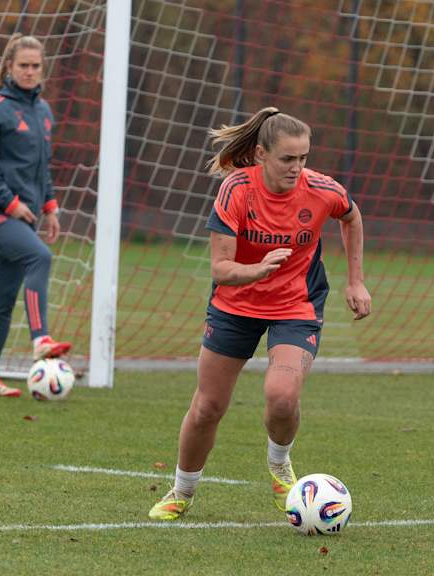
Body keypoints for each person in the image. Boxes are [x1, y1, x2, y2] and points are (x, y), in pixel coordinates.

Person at [149, 107, 371, 520]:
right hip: (235, 305)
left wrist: (355, 280)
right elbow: (220, 268)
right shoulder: (236, 190)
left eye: (303, 157)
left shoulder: (322, 189)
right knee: (208, 407)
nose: (297, 168)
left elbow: (351, 216)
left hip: (296, 305)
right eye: (288, 159)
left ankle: (280, 466)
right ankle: (182, 491)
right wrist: (257, 269)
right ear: (261, 155)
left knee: (281, 397)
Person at [0, 34, 71, 397]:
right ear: (8, 67)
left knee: (3, 296)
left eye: (35, 66)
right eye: (22, 65)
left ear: (43, 69)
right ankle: (40, 338)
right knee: (38, 256)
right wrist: (10, 203)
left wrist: (51, 206)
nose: (29, 71)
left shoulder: (43, 111)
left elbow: (42, 168)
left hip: (26, 215)